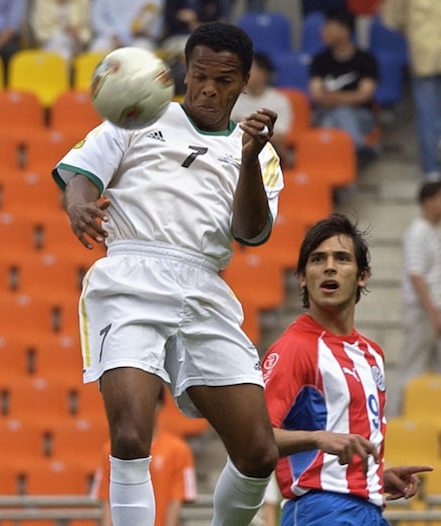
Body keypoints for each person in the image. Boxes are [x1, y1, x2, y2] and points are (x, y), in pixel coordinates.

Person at [52, 22, 283, 526]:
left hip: (205, 286)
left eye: (223, 80)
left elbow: (250, 231)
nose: (207, 88)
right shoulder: (136, 116)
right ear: (185, 70)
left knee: (259, 453)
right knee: (132, 435)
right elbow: (78, 177)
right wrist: (78, 207)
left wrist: (247, 159)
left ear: (244, 82)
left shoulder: (259, 154)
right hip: (131, 277)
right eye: (199, 75)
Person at [261, 213, 432, 525]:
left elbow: (346, 443)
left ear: (362, 275)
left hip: (369, 509)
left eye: (341, 258)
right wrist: (317, 438)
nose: (329, 266)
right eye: (317, 259)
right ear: (302, 276)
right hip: (319, 511)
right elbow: (255, 439)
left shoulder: (372, 354)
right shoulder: (294, 349)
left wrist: (375, 477)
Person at [93, 388, 197, 526]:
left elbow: (176, 502)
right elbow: (107, 501)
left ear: (159, 405)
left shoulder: (178, 450)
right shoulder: (109, 451)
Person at [389, 182, 441, 416]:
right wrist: (432, 314)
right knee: (412, 369)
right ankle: (397, 420)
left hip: (433, 311)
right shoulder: (418, 231)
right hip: (423, 312)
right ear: (429, 201)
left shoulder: (434, 231)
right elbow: (416, 274)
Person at [308, 8, 379, 165]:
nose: (323, 31)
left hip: (361, 116)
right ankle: (358, 148)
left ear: (344, 30)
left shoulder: (366, 59)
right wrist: (348, 98)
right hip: (325, 113)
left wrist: (335, 98)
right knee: (332, 118)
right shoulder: (320, 60)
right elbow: (317, 95)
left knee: (337, 117)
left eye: (328, 27)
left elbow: (365, 95)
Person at [380, 0, 441, 182]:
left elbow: (394, 19)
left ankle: (431, 170)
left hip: (423, 50)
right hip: (424, 55)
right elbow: (392, 17)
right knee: (427, 115)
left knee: (427, 114)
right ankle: (431, 169)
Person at [231, 52, 294, 167]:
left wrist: (250, 130)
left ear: (264, 73)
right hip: (236, 149)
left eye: (251, 69)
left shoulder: (279, 101)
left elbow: (280, 136)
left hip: (269, 150)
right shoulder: (235, 99)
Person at [88, 0, 164, 52]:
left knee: (143, 49)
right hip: (110, 36)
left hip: (139, 38)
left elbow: (157, 18)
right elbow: (98, 19)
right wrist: (112, 34)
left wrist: (145, 32)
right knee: (99, 47)